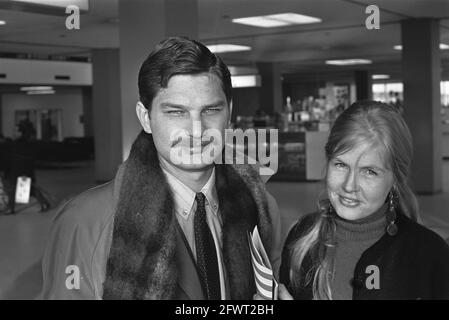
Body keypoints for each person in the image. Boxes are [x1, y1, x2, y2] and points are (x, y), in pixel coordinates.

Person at [40, 37, 281, 300]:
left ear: (229, 112)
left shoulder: (260, 206)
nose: (197, 131)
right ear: (146, 118)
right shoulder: (86, 221)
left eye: (211, 110)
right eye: (176, 112)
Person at [279, 100, 449, 300]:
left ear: (395, 179)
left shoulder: (430, 255)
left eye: (369, 172)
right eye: (341, 165)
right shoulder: (301, 239)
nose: (349, 186)